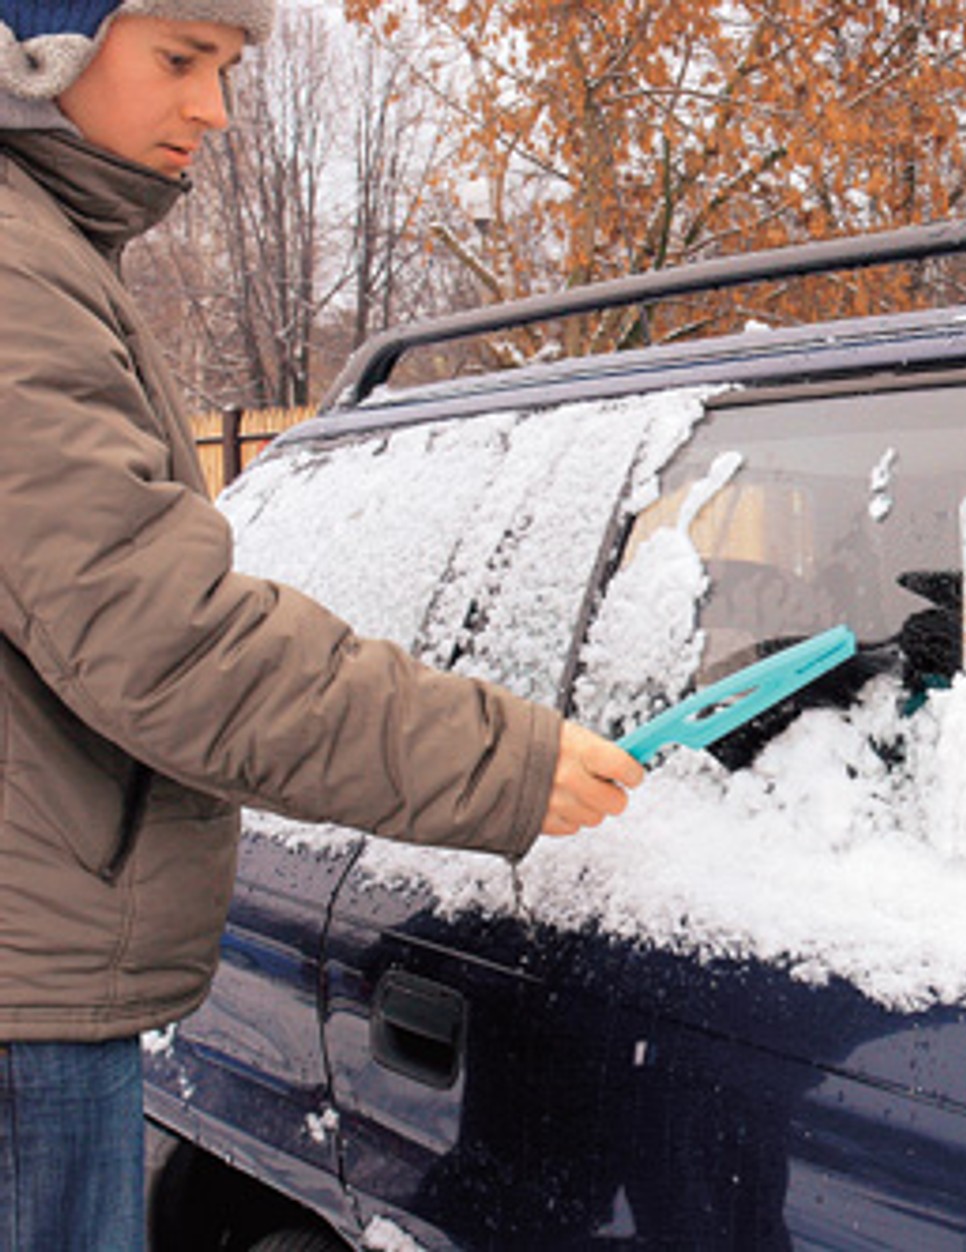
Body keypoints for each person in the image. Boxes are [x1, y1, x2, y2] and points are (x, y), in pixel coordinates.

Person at [0, 3, 645, 1246]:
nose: (215, 111)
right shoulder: (16, 274)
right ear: (40, 50)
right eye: (181, 61)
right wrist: (500, 758)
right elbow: (164, 640)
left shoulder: (51, 258)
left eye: (227, 71)